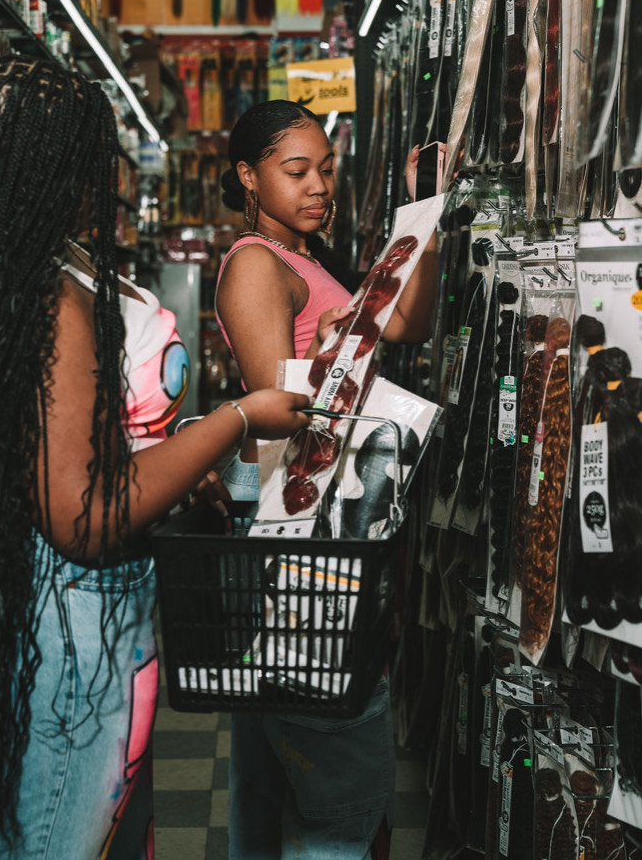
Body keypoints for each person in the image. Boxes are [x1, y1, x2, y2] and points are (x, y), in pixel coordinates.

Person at [0, 56, 312, 860]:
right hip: (68, 631)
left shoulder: (1, 272)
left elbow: (62, 444)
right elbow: (83, 514)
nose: (103, 180)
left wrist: (179, 458)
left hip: (30, 610)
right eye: (88, 159)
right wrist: (232, 422)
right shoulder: (49, 300)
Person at [215, 99, 439, 860]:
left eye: (327, 169)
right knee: (329, 766)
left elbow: (410, 321)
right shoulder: (255, 262)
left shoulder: (313, 258)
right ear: (248, 176)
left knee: (268, 760)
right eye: (296, 170)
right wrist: (335, 358)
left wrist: (422, 213)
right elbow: (274, 413)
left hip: (317, 520)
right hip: (300, 528)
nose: (320, 185)